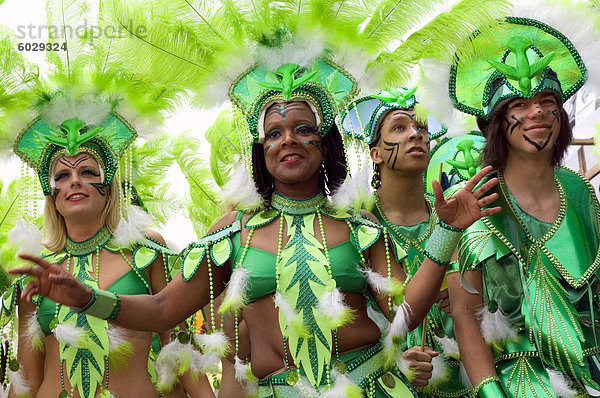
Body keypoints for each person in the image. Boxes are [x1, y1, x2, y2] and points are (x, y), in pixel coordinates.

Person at [13, 52, 500, 397]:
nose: (288, 140)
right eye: (274, 132)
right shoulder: (233, 236)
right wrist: (86, 298)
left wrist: (447, 230)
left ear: (324, 144)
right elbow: (162, 309)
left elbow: (402, 314)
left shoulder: (360, 227)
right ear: (261, 152)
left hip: (371, 388)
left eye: (303, 128)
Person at [443, 7, 600, 397]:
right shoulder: (469, 201)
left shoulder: (580, 191)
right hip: (520, 384)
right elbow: (464, 314)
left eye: (547, 100)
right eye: (518, 105)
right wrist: (491, 393)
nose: (538, 113)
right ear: (495, 123)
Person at [341, 87, 471, 396]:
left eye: (422, 128)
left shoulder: (457, 212)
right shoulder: (354, 223)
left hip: (467, 379)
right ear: (375, 153)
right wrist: (394, 364)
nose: (415, 134)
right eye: (399, 127)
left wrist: (467, 298)